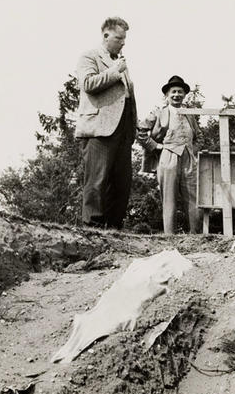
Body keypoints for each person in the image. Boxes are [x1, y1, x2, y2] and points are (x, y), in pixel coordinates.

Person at [74, 17, 138, 228]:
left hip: (123, 130)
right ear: (106, 35)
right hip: (98, 130)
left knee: (122, 184)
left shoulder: (119, 61)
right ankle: (92, 229)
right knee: (96, 182)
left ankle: (113, 230)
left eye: (124, 38)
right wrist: (114, 71)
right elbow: (88, 83)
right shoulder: (89, 56)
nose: (123, 42)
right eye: (119, 38)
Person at [138, 75, 202, 234]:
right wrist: (156, 146)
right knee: (169, 198)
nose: (177, 95)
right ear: (166, 95)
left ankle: (196, 236)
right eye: (173, 92)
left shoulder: (190, 114)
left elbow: (199, 136)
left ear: (184, 95)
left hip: (189, 159)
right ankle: (169, 237)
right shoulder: (159, 113)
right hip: (168, 157)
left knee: (194, 198)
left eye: (180, 92)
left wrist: (193, 150)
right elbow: (140, 131)